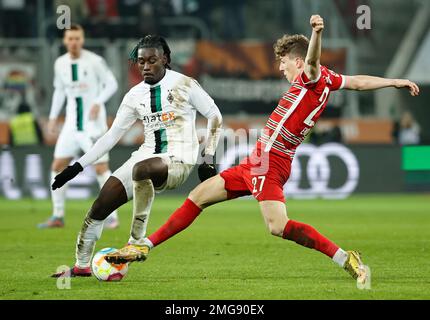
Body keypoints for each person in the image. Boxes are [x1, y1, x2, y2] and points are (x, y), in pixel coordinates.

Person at [106, 15, 420, 286]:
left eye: (283, 63)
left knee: (278, 227)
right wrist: (394, 81)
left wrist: (317, 33)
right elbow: (360, 82)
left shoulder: (311, 77)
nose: (281, 69)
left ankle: (344, 257)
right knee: (198, 196)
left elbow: (312, 61)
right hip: (258, 159)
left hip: (272, 162)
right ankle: (143, 246)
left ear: (297, 61)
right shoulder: (329, 80)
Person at [51, 35, 223, 277]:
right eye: (141, 62)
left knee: (141, 170)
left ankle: (136, 241)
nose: (145, 66)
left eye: (152, 60)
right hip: (145, 156)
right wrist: (77, 167)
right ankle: (81, 266)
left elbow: (215, 115)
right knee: (100, 206)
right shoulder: (134, 95)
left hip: (179, 159)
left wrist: (208, 156)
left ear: (165, 59)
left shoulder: (185, 84)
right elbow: (111, 137)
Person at [38, 24, 120, 229]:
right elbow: (59, 92)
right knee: (57, 166)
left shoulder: (95, 61)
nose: (73, 42)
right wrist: (53, 116)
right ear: (65, 41)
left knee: (101, 168)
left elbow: (112, 84)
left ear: (82, 40)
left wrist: (98, 101)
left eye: (77, 38)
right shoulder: (60, 63)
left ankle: (112, 217)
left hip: (93, 125)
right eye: (70, 38)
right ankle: (57, 216)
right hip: (71, 126)